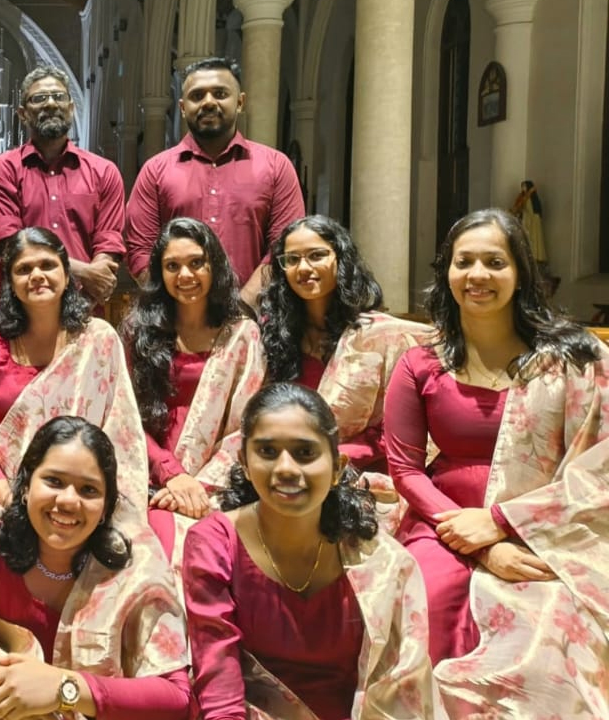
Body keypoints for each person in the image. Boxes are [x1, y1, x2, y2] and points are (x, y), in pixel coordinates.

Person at [383, 208, 609, 715]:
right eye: (464, 262)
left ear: (520, 274)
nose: (478, 275)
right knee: (428, 597)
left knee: (553, 616)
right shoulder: (421, 362)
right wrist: (479, 543)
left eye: (494, 262)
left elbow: (602, 465)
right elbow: (405, 470)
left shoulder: (573, 359)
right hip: (441, 522)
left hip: (546, 523)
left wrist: (502, 522)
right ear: (446, 272)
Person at [184, 383, 438, 719]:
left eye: (305, 453)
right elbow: (218, 677)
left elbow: (401, 686)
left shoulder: (381, 564)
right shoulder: (214, 543)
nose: (286, 468)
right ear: (244, 462)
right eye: (268, 452)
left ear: (336, 467)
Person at [0, 416, 192, 719]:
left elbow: (176, 697)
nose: (68, 501)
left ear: (106, 508)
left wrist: (63, 689)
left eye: (88, 490)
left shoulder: (134, 568)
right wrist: (7, 684)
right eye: (54, 481)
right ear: (25, 486)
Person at [0, 227, 147, 510]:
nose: (36, 276)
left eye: (47, 265)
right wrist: (7, 496)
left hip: (80, 489)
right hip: (2, 488)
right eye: (23, 269)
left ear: (67, 275)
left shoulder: (97, 339)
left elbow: (121, 428)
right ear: (10, 281)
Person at [259, 215, 429, 524]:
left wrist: (331, 457)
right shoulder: (275, 338)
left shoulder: (381, 337)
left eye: (317, 255)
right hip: (285, 470)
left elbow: (398, 428)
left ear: (340, 258)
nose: (304, 268)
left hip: (362, 475)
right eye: (292, 259)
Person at [125, 57, 304, 304]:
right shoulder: (155, 171)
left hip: (255, 322)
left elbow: (284, 248)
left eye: (220, 94)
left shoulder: (276, 167)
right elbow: (140, 250)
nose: (209, 102)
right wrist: (177, 308)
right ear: (182, 107)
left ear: (240, 102)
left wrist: (243, 308)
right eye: (197, 96)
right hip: (174, 323)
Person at [122, 217, 264, 518]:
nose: (185, 275)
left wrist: (199, 486)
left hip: (220, 479)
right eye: (172, 266)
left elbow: (247, 424)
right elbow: (125, 415)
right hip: (147, 472)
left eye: (196, 263)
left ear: (215, 266)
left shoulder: (241, 334)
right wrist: (171, 474)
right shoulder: (140, 331)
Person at [0, 66, 124, 305]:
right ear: (22, 113)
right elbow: (10, 244)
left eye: (59, 96)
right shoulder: (3, 169)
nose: (50, 104)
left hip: (83, 305)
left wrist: (97, 275)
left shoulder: (103, 171)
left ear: (71, 107)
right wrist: (84, 272)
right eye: (39, 98)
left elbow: (108, 240)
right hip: (20, 309)